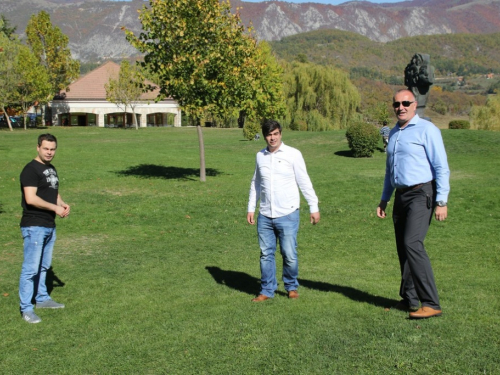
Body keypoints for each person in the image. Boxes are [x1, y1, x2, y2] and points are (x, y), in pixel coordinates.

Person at [376, 89, 450, 319]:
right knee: (403, 248)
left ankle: (431, 303)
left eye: (406, 103)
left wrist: (441, 201)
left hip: (422, 193)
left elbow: (441, 167)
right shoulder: (395, 132)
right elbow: (390, 171)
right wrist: (384, 199)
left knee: (412, 243)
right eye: (396, 104)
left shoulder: (428, 130)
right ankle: (410, 300)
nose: (401, 107)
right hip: (401, 196)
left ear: (414, 104)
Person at [247, 119, 320, 302]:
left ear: (281, 134)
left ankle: (291, 286)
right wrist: (251, 208)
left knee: (289, 254)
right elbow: (256, 183)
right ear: (265, 136)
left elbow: (304, 181)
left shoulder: (293, 154)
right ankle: (267, 290)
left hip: (288, 213)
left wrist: (313, 206)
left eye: (275, 134)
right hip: (265, 214)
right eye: (269, 135)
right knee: (266, 254)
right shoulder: (260, 156)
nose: (272, 138)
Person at [19, 133, 70, 323]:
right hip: (34, 225)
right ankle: (26, 308)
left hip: (49, 225)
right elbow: (31, 199)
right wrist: (54, 208)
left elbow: (52, 192)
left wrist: (62, 203)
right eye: (46, 149)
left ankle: (42, 299)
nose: (49, 152)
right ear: (38, 148)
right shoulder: (30, 170)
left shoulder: (50, 168)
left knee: (44, 266)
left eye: (52, 149)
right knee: (30, 269)